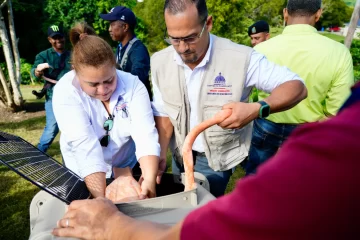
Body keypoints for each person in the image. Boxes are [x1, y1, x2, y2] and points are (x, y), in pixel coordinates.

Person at [52, 82, 360, 240]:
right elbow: (85, 144)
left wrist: (111, 223)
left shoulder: (338, 152)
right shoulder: (67, 91)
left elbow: (216, 232)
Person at [151, 0, 307, 197]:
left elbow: (297, 87)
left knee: (207, 213)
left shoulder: (241, 58)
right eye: (174, 39)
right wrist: (161, 152)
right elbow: (164, 111)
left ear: (208, 24)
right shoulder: (159, 62)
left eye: (190, 38)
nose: (182, 48)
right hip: (179, 155)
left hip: (216, 160)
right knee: (181, 209)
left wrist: (256, 109)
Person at [52, 22, 160, 201]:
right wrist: (100, 200)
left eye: (109, 80)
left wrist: (148, 179)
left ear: (114, 66)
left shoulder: (133, 86)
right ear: (75, 72)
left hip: (124, 165)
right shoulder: (65, 91)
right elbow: (85, 147)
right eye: (93, 84)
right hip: (82, 171)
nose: (103, 90)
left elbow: (145, 134)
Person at [246, 0, 354, 175]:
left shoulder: (262, 49)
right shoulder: (339, 52)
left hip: (267, 121)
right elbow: (339, 107)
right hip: (309, 129)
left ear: (285, 13)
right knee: (301, 184)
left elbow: (249, 93)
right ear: (318, 14)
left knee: (255, 177)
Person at [30, 24, 72, 153]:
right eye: (55, 38)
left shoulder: (74, 54)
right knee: (52, 128)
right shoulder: (43, 55)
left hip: (72, 97)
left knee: (73, 127)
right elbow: (34, 71)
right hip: (52, 96)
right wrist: (37, 72)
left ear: (64, 37)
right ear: (49, 40)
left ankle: (74, 154)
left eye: (60, 37)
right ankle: (39, 154)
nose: (58, 40)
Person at [99, 6, 152, 100]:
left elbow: (138, 79)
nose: (109, 29)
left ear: (125, 27)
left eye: (112, 24)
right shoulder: (120, 48)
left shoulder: (138, 49)